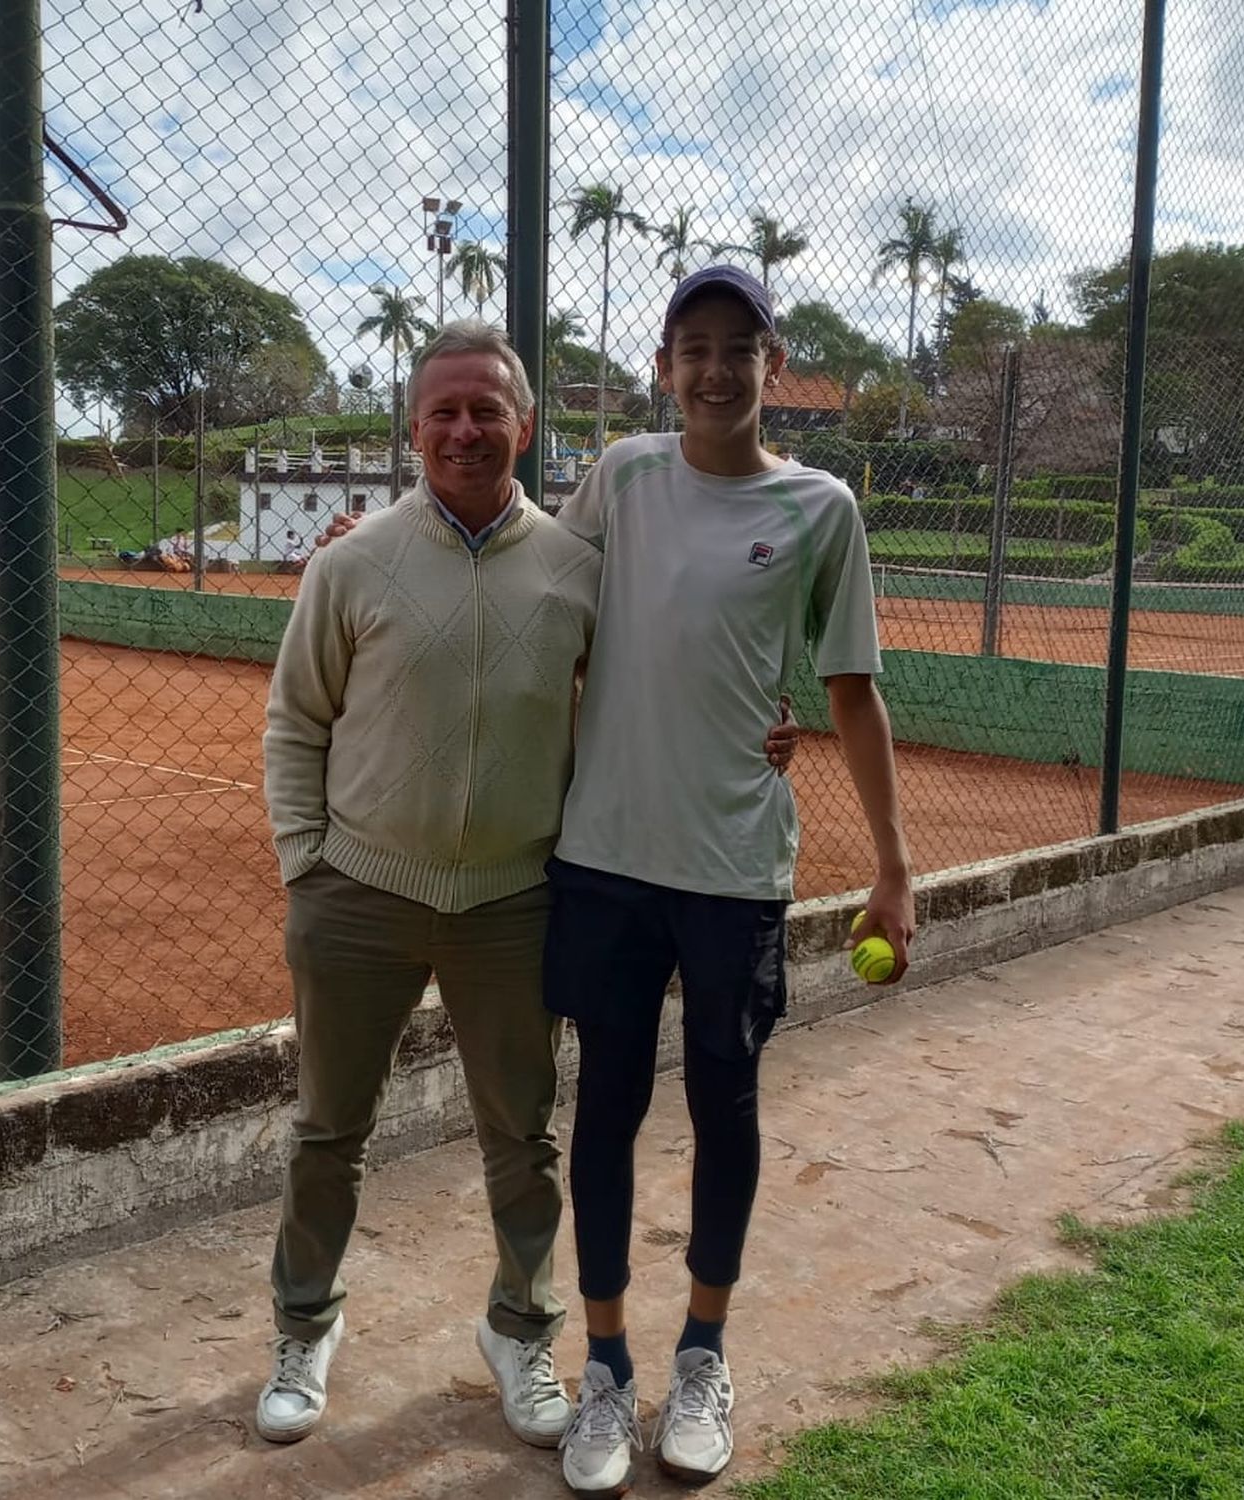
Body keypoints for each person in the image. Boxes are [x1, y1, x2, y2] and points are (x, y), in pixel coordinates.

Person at [261, 321, 799, 1453]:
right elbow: (295, 719)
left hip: (513, 901)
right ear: (413, 427)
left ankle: (521, 1328)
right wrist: (305, 860)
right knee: (328, 1132)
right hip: (355, 893)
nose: (465, 430)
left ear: (525, 424)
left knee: (524, 1137)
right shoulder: (351, 563)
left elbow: (661, 672)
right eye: (444, 411)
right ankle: (304, 1325)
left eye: (487, 410)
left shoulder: (576, 565)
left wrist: (755, 727)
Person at [546, 265, 915, 1495]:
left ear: (774, 364)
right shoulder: (621, 476)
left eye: (737, 347)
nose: (714, 369)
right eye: (691, 347)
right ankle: (603, 1367)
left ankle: (701, 1350)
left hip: (732, 869)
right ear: (664, 367)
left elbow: (850, 691)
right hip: (603, 859)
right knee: (603, 1109)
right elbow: (544, 605)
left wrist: (894, 870)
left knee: (726, 1105)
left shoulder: (823, 509)